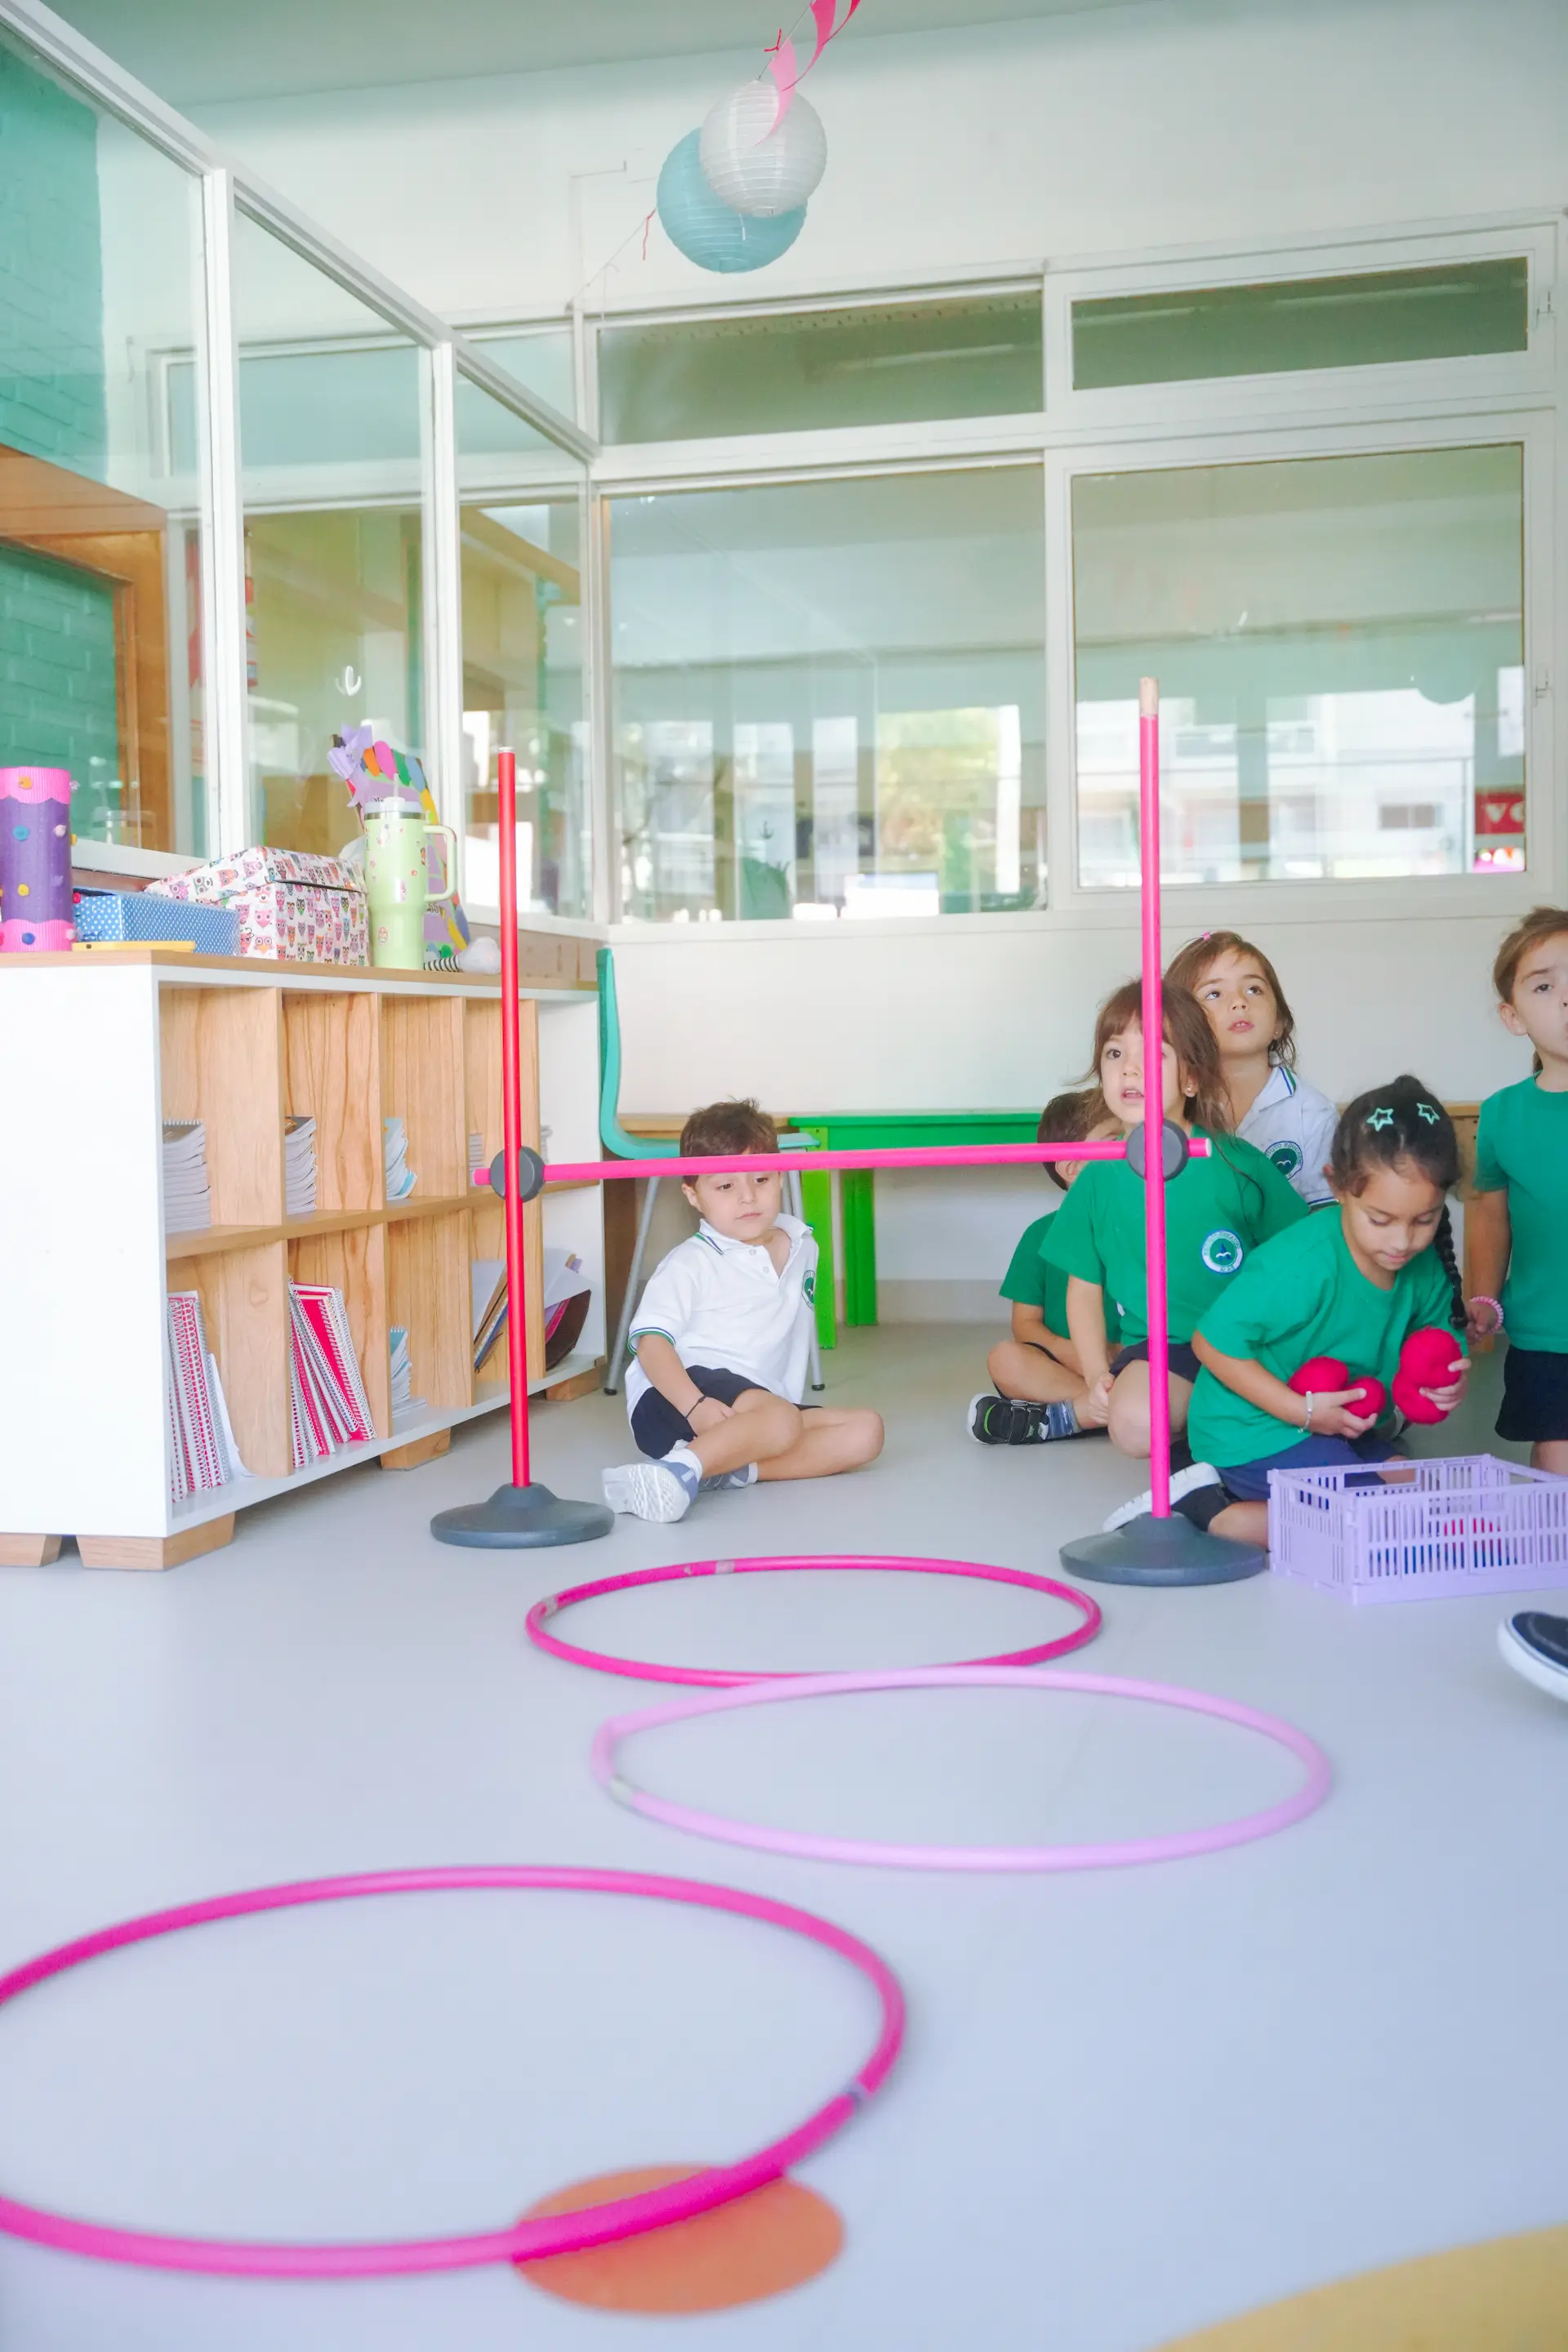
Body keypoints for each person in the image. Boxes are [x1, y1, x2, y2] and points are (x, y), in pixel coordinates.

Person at [1105, 1076, 1468, 1542]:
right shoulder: (1300, 1263)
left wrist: (1447, 1384)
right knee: (1375, 1520)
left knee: (1416, 1484)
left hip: (1337, 1425)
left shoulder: (1424, 1266)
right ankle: (1207, 1509)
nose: (1402, 1242)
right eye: (1380, 1220)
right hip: (1251, 1430)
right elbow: (1212, 1344)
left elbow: (1441, 1343)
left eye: (1424, 1220)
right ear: (1337, 1185)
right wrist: (1302, 1411)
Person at [1043, 980, 1307, 1463]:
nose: (1131, 1069)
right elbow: (1082, 1288)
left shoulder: (1236, 1164)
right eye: (1114, 1053)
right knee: (1134, 1425)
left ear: (1191, 1079)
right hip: (1164, 1350)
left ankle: (1226, 1428)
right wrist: (1094, 1374)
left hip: (1253, 1340)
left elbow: (1300, 1256)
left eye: (1154, 1054)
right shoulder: (1097, 1176)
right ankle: (1221, 1427)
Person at [601, 1098, 884, 1524]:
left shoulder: (802, 1243)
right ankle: (679, 1471)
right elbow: (652, 1346)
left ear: (780, 1175)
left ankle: (725, 1471)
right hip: (675, 1397)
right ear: (693, 1194)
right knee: (780, 1421)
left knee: (865, 1433)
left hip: (759, 1408)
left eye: (761, 1178)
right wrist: (695, 1406)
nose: (748, 1197)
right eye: (725, 1186)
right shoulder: (689, 1262)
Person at [1467, 908, 1568, 1700]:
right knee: (1555, 1467)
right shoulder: (1501, 1116)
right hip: (1545, 1328)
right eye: (1545, 984)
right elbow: (1490, 1217)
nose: (1566, 997)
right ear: (1514, 1014)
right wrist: (1483, 1298)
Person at [969, 1088, 1120, 1445]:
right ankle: (1097, 1412)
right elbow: (1025, 1325)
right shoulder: (1040, 1236)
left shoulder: (1143, 1230)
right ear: (1072, 1169)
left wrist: (1109, 1356)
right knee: (1005, 1359)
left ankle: (1068, 1419)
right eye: (1116, 1141)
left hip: (1127, 1365)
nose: (1131, 1151)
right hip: (1065, 1366)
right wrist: (1071, 1352)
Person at [1166, 929, 1337, 1208]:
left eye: (1254, 989)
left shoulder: (1313, 1114)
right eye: (1214, 993)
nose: (1239, 1002)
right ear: (1180, 1025)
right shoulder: (1169, 1106)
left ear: (1280, 1022)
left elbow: (1324, 1220)